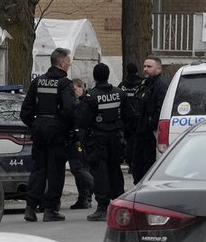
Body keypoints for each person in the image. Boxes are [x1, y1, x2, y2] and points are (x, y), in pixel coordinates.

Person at [20, 47, 77, 222]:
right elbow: (69, 109)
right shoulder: (65, 83)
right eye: (68, 61)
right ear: (61, 63)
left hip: (39, 129)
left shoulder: (38, 82)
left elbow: (25, 111)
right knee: (55, 171)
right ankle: (50, 209)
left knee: (38, 169)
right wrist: (65, 127)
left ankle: (30, 207)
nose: (69, 63)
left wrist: (36, 124)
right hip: (56, 132)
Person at [80, 63, 133, 221]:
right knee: (115, 170)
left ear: (95, 77)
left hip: (98, 139)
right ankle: (119, 203)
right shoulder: (119, 93)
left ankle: (102, 207)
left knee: (100, 171)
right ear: (108, 75)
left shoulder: (91, 96)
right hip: (116, 138)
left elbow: (82, 120)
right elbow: (129, 116)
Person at [131, 55, 169, 183]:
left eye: (149, 67)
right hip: (141, 131)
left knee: (147, 166)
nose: (145, 69)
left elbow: (160, 108)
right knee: (137, 165)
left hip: (149, 134)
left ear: (158, 69)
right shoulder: (146, 83)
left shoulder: (160, 85)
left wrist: (151, 126)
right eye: (144, 66)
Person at [68, 78, 94, 209]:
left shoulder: (85, 101)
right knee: (81, 168)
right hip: (80, 138)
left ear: (80, 87)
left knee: (78, 168)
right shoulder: (79, 101)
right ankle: (84, 198)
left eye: (74, 90)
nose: (73, 92)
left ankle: (89, 189)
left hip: (81, 138)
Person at [118, 62, 143, 166]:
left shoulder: (122, 85)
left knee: (128, 140)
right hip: (139, 117)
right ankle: (136, 161)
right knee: (138, 140)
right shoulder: (141, 83)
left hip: (126, 118)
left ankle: (129, 161)